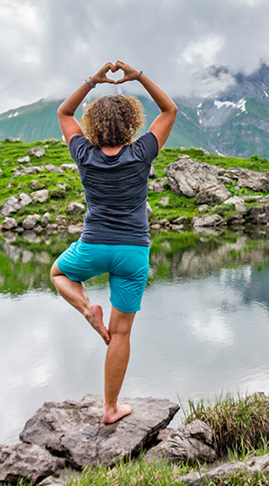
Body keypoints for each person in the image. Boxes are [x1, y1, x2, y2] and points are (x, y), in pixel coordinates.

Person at [50, 60, 177, 424]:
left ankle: (87, 309)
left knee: (59, 274)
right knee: (121, 333)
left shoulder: (84, 155)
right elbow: (169, 109)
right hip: (133, 252)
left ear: (93, 125)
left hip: (92, 246)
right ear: (132, 123)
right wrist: (137, 76)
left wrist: (93, 80)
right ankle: (110, 409)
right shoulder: (141, 153)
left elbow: (64, 111)